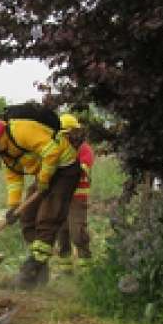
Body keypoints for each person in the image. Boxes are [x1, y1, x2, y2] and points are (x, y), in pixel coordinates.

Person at [0, 105, 79, 288]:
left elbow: (51, 151)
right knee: (28, 217)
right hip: (46, 174)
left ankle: (30, 273)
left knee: (47, 218)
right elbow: (14, 178)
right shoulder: (5, 151)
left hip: (65, 169)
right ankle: (40, 270)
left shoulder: (20, 130)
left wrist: (44, 180)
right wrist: (14, 206)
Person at [54, 114, 96, 266]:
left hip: (78, 197)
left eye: (67, 133)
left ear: (75, 132)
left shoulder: (84, 149)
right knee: (62, 231)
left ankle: (86, 260)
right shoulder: (57, 149)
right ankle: (65, 263)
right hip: (61, 197)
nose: (65, 137)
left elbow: (83, 168)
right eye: (62, 134)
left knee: (77, 232)